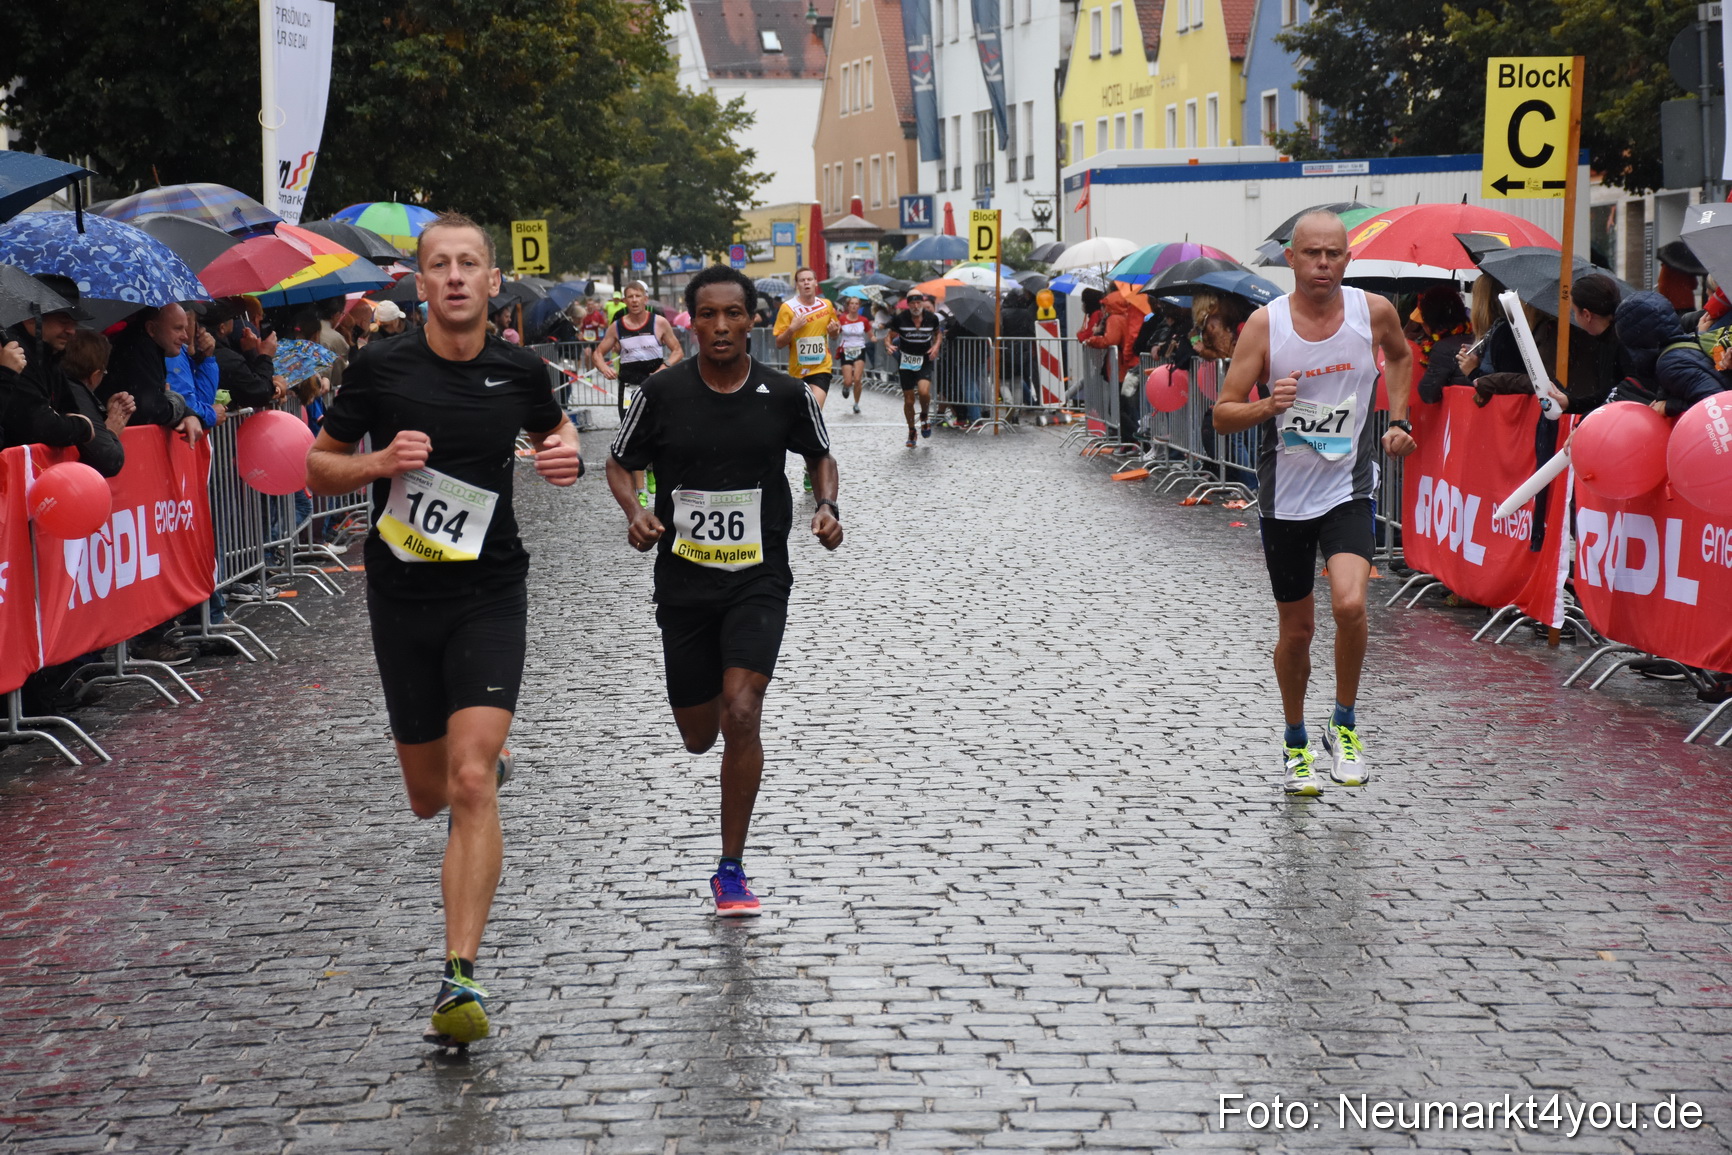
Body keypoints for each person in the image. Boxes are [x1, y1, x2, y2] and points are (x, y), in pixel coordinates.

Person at [306, 211, 583, 1050]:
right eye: (440, 265)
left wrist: (564, 451)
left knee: (469, 783)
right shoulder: (382, 367)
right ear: (418, 282)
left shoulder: (520, 369)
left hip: (490, 592)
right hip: (402, 595)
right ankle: (478, 760)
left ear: (493, 283)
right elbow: (317, 465)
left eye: (470, 264)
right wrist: (378, 464)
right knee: (429, 794)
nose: (456, 276)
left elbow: (554, 433)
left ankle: (460, 972)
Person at [606, 264, 842, 917]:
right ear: (691, 321)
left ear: (752, 320)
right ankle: (706, 707)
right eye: (706, 314)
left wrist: (826, 505)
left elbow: (821, 455)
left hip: (759, 577)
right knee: (697, 734)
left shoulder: (786, 393)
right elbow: (620, 463)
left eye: (732, 314)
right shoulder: (661, 393)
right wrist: (634, 511)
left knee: (742, 711)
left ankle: (730, 867)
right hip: (683, 582)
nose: (719, 326)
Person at [1211, 211, 1414, 797]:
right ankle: (1296, 740)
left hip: (1348, 488)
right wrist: (1268, 408)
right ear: (1291, 259)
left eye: (1335, 254)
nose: (1324, 264)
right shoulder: (1263, 326)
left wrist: (1397, 419)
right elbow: (1223, 413)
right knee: (1297, 632)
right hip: (1285, 499)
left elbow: (1399, 357)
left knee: (1350, 604)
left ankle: (1344, 725)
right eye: (1313, 254)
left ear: (1348, 259)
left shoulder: (1372, 312)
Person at [593, 281, 683, 506]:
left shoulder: (659, 323)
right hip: (629, 388)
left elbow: (678, 350)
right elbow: (598, 353)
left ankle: (652, 468)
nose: (633, 300)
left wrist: (665, 367)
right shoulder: (618, 327)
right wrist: (605, 368)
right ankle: (640, 491)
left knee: (657, 432)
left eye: (637, 296)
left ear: (645, 299)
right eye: (629, 296)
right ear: (624, 301)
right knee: (634, 437)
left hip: (655, 387)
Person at [1611, 289, 1729, 417]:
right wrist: (1664, 398)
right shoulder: (1683, 344)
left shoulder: (1668, 364)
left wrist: (1669, 406)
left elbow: (1715, 405)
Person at [772, 267, 840, 413]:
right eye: (802, 280)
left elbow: (834, 334)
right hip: (798, 371)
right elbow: (779, 343)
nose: (806, 283)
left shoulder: (826, 305)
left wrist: (835, 332)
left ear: (816, 282)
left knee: (814, 408)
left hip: (822, 367)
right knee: (801, 413)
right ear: (797, 284)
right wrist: (792, 328)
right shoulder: (788, 308)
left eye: (809, 279)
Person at [886, 290, 944, 448]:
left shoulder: (931, 318)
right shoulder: (900, 319)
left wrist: (936, 346)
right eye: (913, 303)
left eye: (919, 303)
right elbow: (889, 336)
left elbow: (939, 334)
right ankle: (912, 430)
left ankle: (924, 415)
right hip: (906, 360)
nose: (916, 306)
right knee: (909, 400)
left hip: (924, 358)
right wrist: (888, 345)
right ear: (908, 304)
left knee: (924, 392)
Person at [835, 294, 869, 414]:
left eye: (856, 304)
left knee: (858, 379)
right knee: (849, 381)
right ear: (848, 306)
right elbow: (835, 334)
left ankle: (856, 404)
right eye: (852, 304)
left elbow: (871, 335)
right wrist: (833, 329)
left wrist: (880, 339)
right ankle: (846, 386)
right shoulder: (842, 319)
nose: (854, 306)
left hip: (860, 349)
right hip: (846, 350)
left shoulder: (864, 320)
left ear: (859, 306)